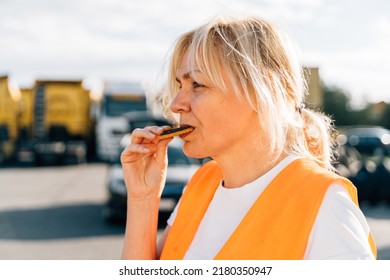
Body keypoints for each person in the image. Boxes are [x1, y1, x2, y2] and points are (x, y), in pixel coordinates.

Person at [120, 15, 376, 260]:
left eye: (197, 84)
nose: (176, 104)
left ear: (260, 90)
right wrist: (143, 198)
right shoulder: (201, 183)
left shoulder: (328, 205)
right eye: (179, 86)